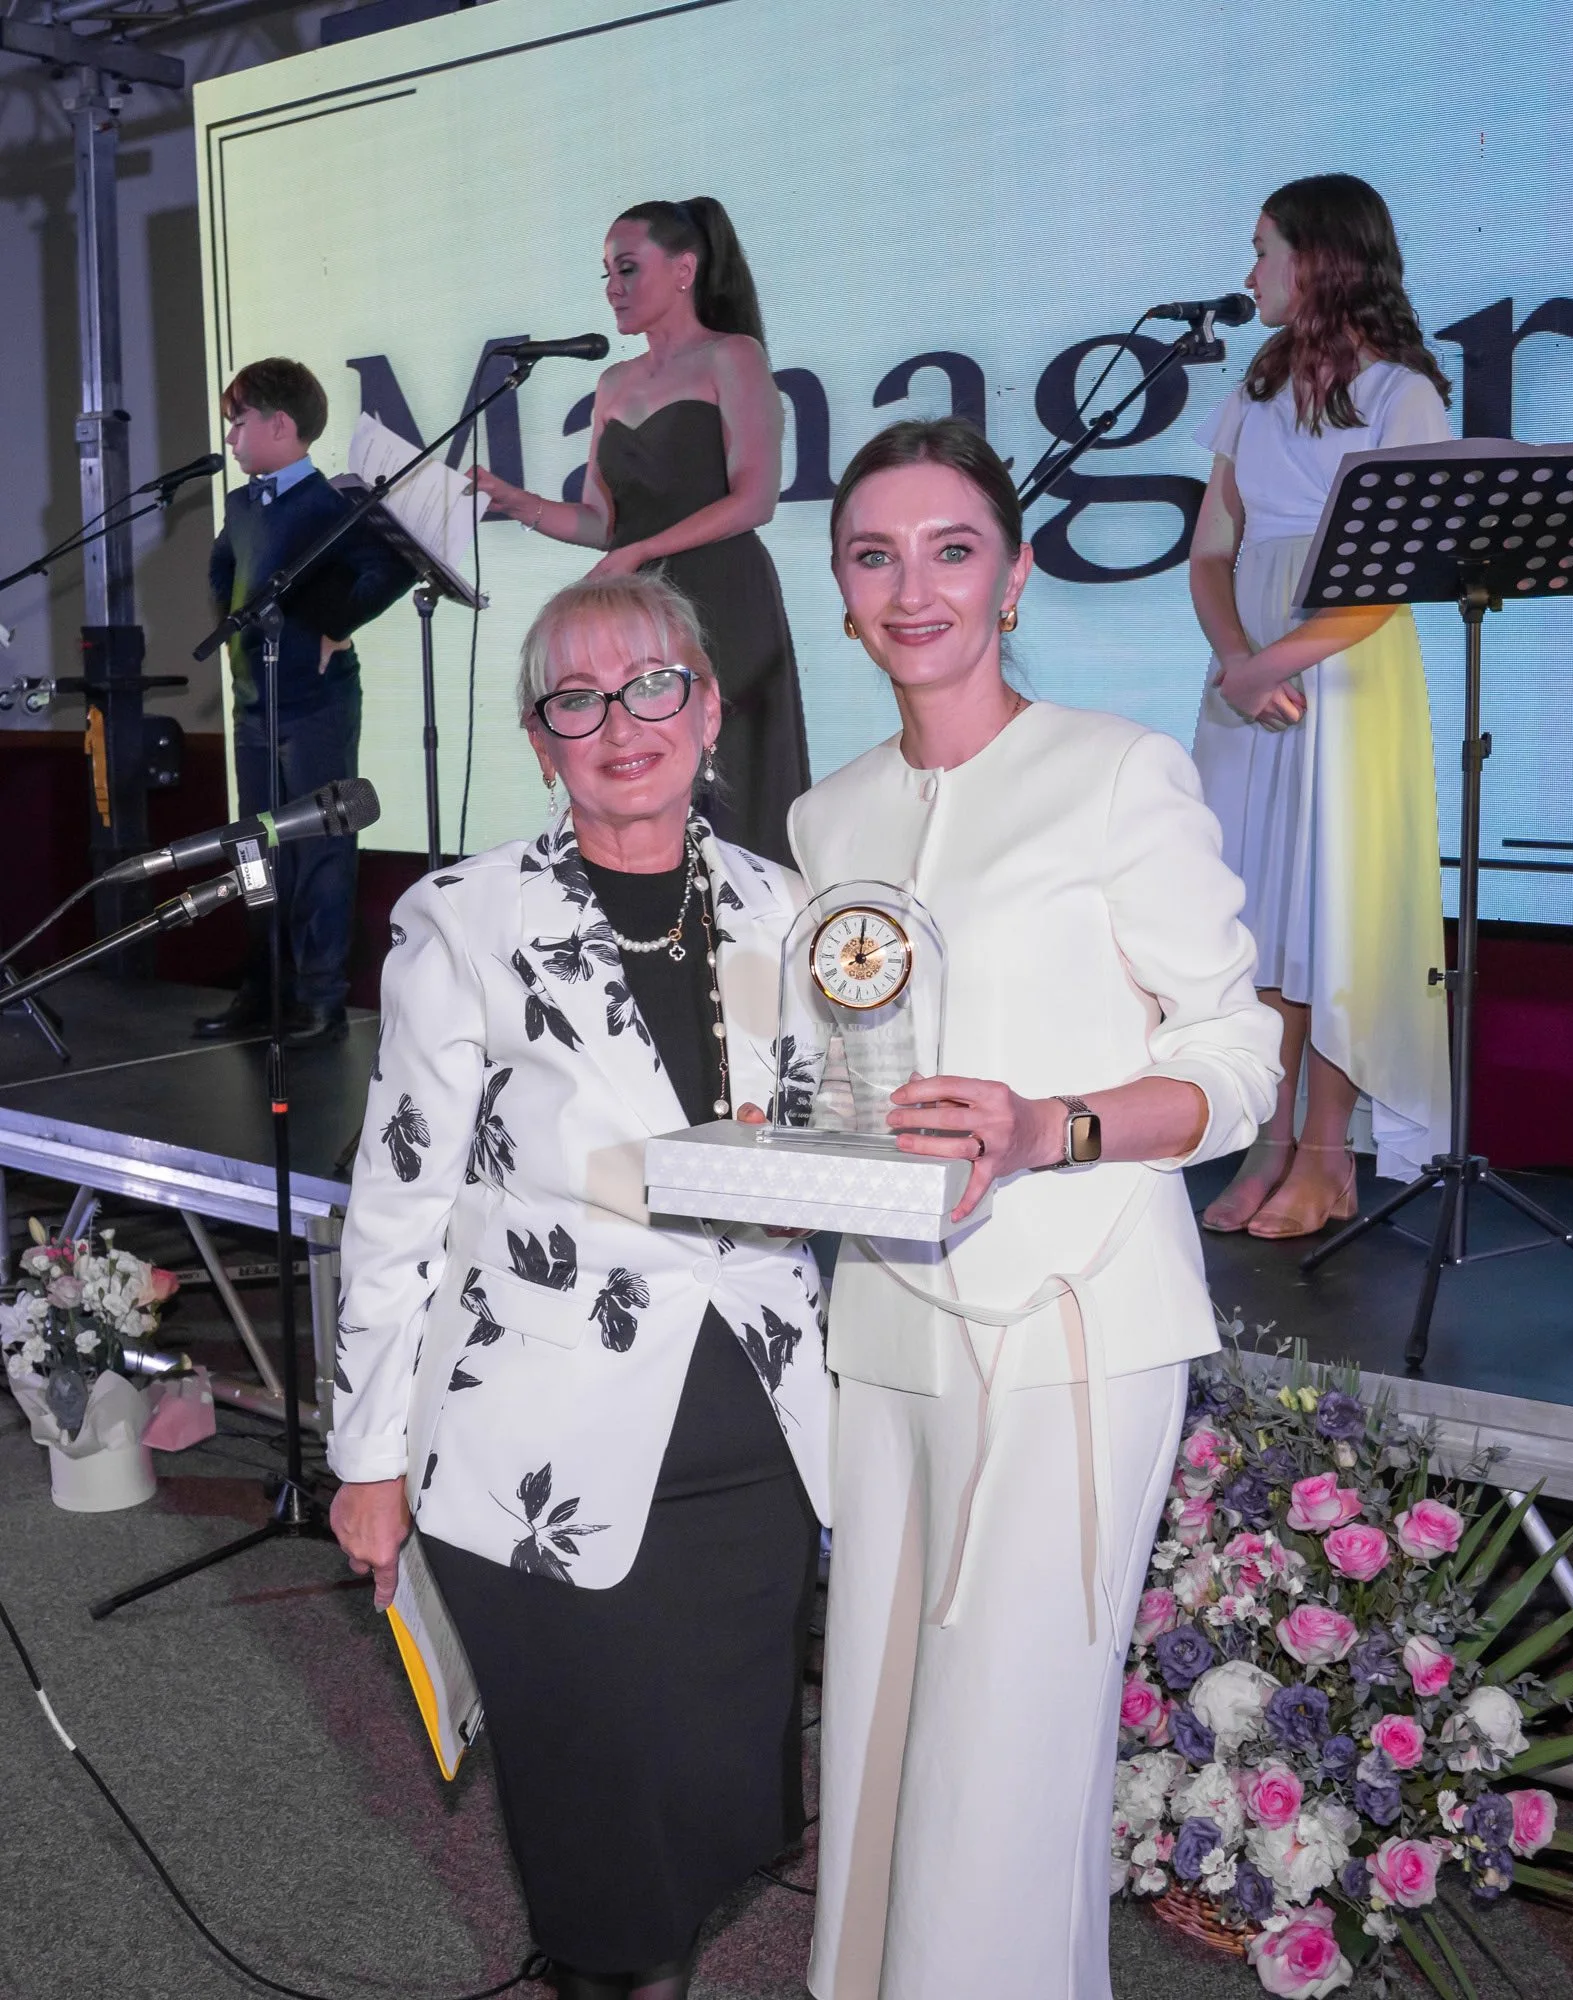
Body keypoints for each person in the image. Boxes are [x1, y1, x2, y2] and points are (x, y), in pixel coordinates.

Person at [787, 418, 1281, 1998]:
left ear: (1011, 580)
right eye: (876, 556)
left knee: (1004, 1761)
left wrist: (1046, 1129)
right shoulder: (826, 817)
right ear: (842, 592)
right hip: (888, 1324)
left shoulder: (1117, 772)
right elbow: (837, 1071)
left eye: (952, 551)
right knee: (880, 1738)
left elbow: (1237, 1064)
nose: (913, 589)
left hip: (1074, 1328)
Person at [328, 572, 831, 2000]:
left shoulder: (788, 908)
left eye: (654, 684)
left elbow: (827, 1138)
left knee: (716, 1801)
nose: (622, 724)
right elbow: (399, 1203)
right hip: (536, 1455)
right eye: (577, 699)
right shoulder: (464, 919)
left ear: (710, 708)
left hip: (754, 1444)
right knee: (603, 1829)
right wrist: (366, 1459)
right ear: (540, 739)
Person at [1189, 173, 1454, 1236]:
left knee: (1329, 904)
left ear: (1321, 258)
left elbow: (1398, 574)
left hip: (1344, 664)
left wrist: (1278, 662)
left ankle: (1327, 1154)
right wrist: (1237, 658)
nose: (1250, 269)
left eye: (1264, 248)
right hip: (1250, 666)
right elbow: (1212, 548)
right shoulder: (1251, 391)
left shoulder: (1401, 394)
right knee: (1253, 909)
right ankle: (1267, 1139)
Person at [470, 197, 810, 864]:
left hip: (724, 597)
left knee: (733, 780)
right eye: (607, 273)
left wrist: (642, 552)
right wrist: (521, 502)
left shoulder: (732, 356)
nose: (613, 288)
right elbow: (602, 523)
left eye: (627, 268)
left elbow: (755, 500)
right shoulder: (614, 382)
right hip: (642, 613)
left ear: (684, 270)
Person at [195, 357, 412, 1048]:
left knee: (318, 847)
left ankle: (319, 998)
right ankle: (263, 987)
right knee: (253, 847)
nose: (231, 437)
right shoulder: (242, 505)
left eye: (239, 422)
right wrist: (233, 631)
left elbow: (391, 568)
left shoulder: (331, 504)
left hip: (315, 703)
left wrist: (334, 624)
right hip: (254, 702)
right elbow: (223, 565)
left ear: (280, 425)